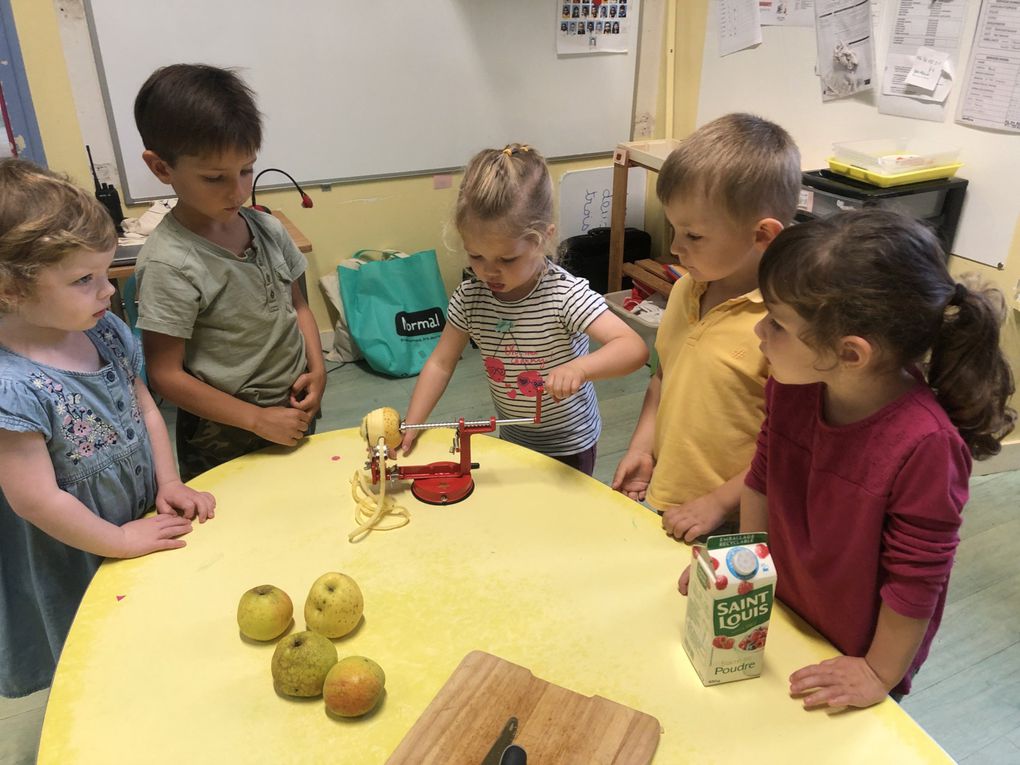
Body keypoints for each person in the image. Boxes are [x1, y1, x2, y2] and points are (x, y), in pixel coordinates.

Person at [682, 210, 1015, 707]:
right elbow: (762, 479)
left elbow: (917, 579)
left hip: (860, 652)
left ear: (851, 354)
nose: (759, 335)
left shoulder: (926, 444)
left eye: (777, 324)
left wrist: (879, 674)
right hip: (788, 609)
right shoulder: (794, 384)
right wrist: (744, 570)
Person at [0, 159, 215, 698]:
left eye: (106, 272)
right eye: (83, 280)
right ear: (10, 289)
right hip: (72, 554)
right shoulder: (11, 386)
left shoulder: (104, 332)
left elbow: (146, 411)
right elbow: (36, 502)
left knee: (147, 640)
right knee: (92, 668)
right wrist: (117, 540)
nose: (107, 291)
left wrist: (169, 483)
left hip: (134, 522)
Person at [399, 143, 648, 475]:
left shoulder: (564, 294)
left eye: (507, 259)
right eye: (476, 256)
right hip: (514, 433)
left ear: (543, 238)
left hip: (570, 443)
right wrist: (413, 424)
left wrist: (580, 369)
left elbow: (633, 348)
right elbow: (441, 364)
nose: (488, 272)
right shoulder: (471, 296)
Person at [611, 113, 801, 540]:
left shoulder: (787, 330)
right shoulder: (685, 291)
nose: (675, 247)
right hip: (669, 497)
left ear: (763, 236)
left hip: (738, 522)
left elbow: (791, 449)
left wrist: (718, 503)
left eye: (693, 236)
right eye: (674, 229)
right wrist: (642, 448)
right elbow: (664, 375)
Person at [133, 64, 325, 481]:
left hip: (291, 409)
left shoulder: (268, 227)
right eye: (214, 177)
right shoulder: (170, 262)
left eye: (246, 170)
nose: (237, 190)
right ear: (162, 168)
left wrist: (318, 368)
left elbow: (298, 305)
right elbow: (166, 375)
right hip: (222, 431)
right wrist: (257, 420)